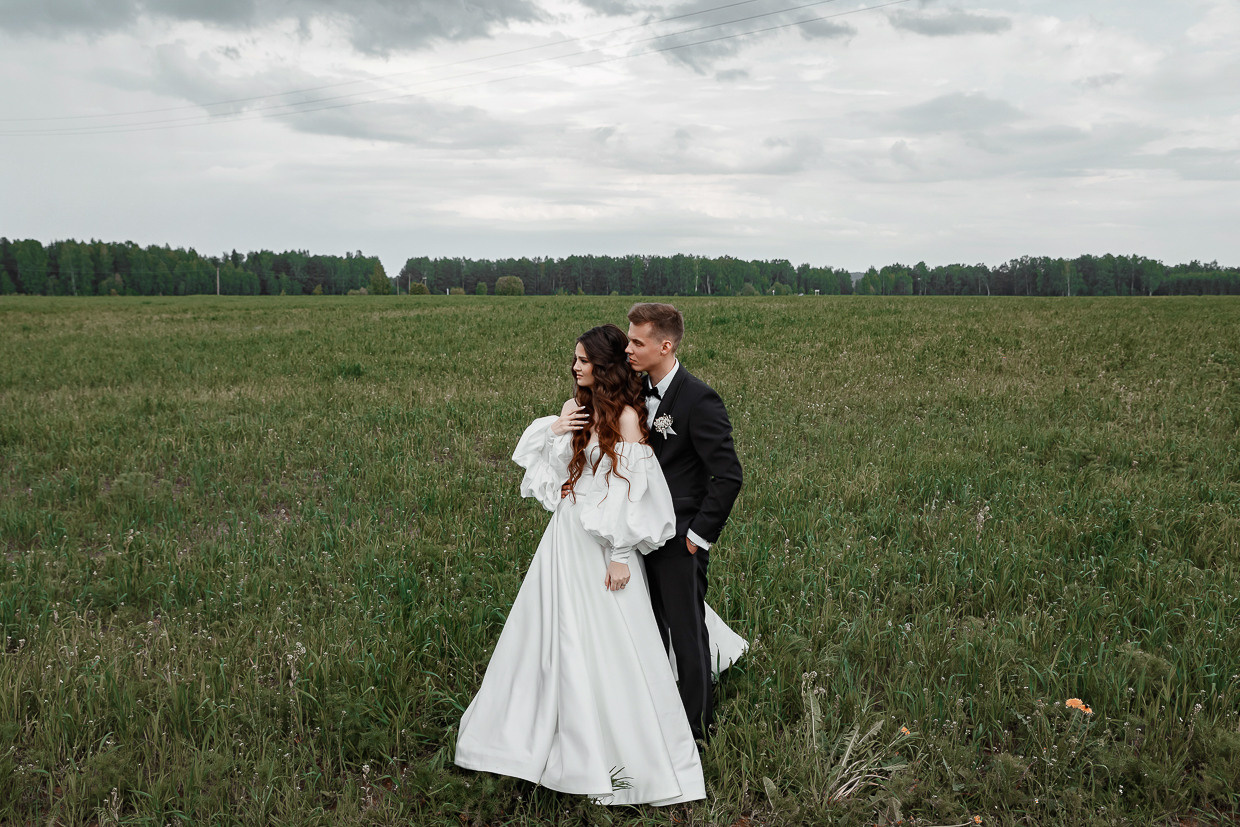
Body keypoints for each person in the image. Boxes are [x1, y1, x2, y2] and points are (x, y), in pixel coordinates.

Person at [455, 324, 742, 806]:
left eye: (584, 360)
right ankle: (538, 724)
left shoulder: (629, 418)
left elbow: (629, 491)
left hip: (603, 542)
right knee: (550, 630)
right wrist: (557, 428)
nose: (575, 366)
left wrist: (620, 554)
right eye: (574, 358)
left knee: (611, 636)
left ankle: (648, 733)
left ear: (603, 367)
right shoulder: (580, 409)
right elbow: (545, 465)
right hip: (565, 537)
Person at [625, 303, 744, 742]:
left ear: (665, 345)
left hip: (679, 537)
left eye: (638, 341)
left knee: (686, 630)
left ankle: (697, 727)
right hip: (637, 535)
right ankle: (656, 714)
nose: (629, 348)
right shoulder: (633, 391)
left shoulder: (699, 398)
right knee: (648, 624)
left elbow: (729, 476)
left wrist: (696, 536)